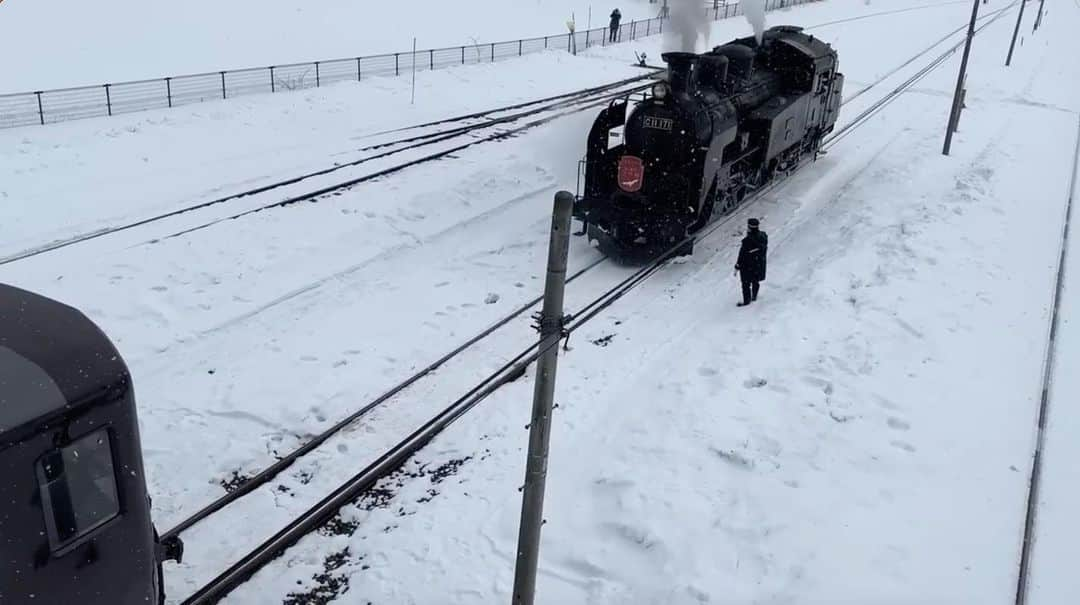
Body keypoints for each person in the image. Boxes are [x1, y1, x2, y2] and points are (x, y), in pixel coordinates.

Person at [735, 218, 768, 307]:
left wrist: (738, 265)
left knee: (745, 284)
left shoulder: (747, 241)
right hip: (758, 264)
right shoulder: (763, 236)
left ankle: (747, 301)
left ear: (749, 227)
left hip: (747, 266)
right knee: (755, 281)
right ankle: (754, 296)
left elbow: (742, 255)